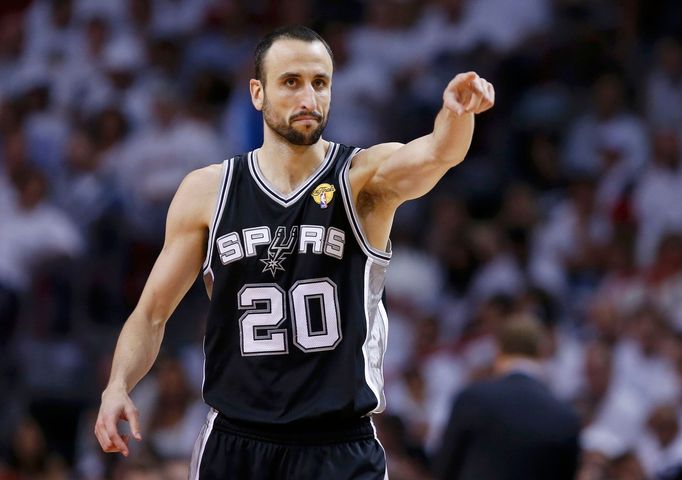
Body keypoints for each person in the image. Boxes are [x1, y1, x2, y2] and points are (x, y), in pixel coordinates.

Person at [94, 25, 494, 479]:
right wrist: (118, 386)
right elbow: (151, 315)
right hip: (237, 441)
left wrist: (457, 114)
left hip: (338, 442)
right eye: (291, 82)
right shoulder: (207, 191)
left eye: (320, 83)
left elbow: (438, 154)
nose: (309, 97)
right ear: (257, 93)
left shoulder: (362, 177)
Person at [433, 315, 581, 480]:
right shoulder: (565, 417)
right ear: (541, 351)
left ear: (498, 349)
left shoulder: (472, 400)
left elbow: (444, 470)